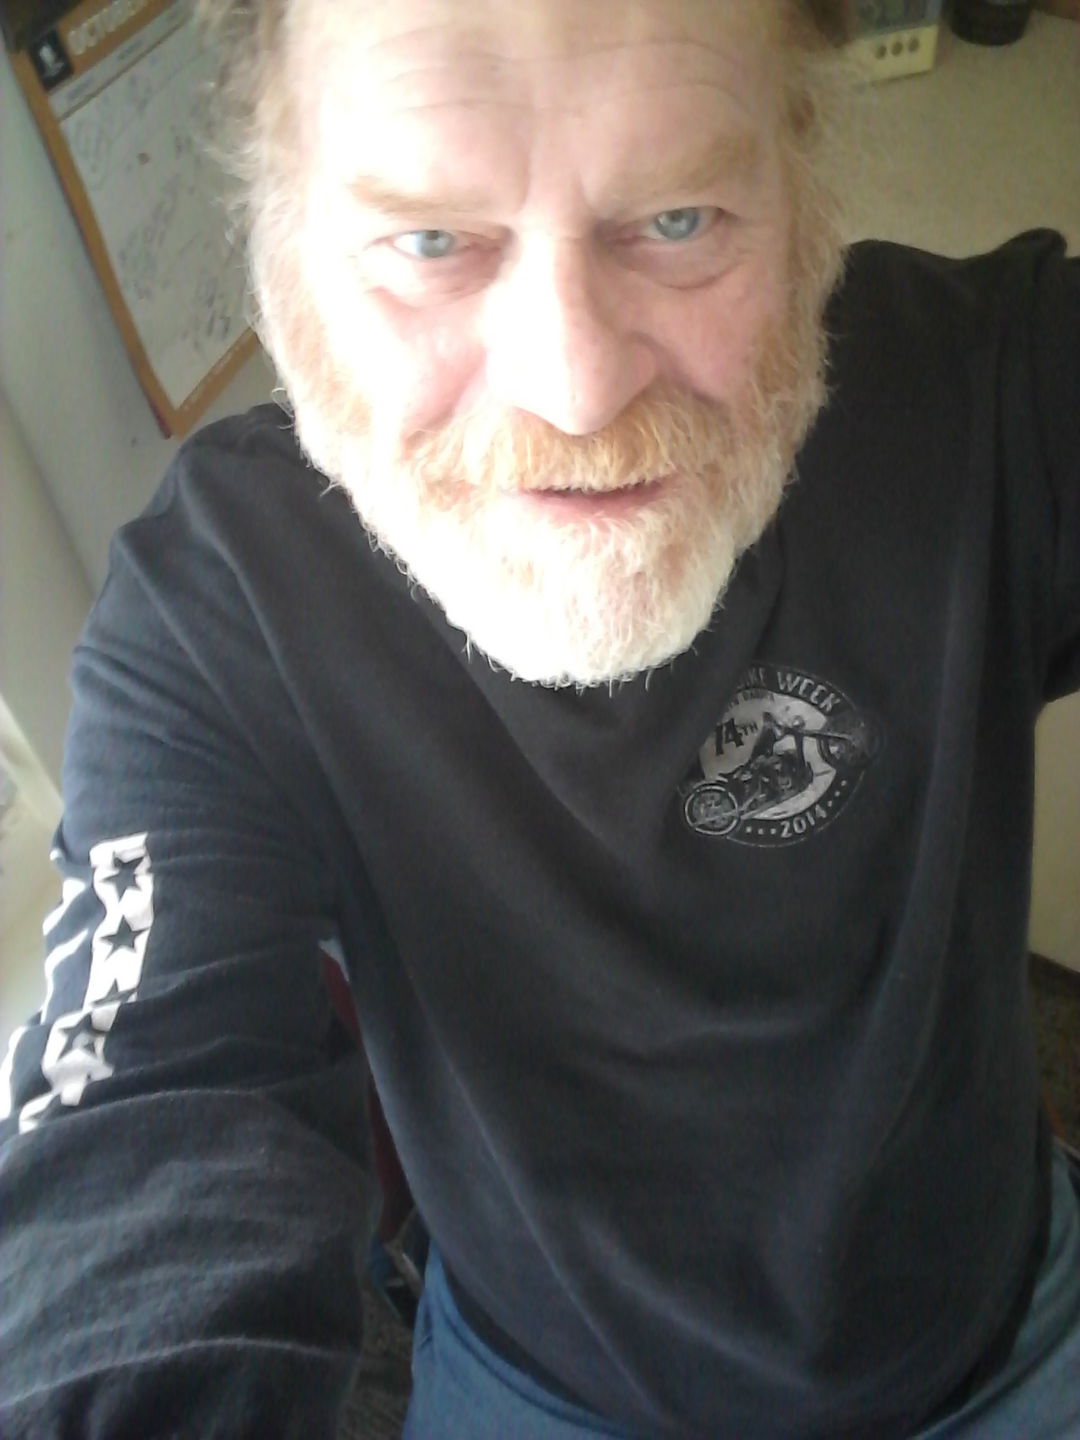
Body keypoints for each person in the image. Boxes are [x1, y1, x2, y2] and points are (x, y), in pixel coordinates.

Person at [1, 1, 1078, 1436]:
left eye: (680, 220)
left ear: (805, 191)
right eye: (431, 242)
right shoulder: (221, 611)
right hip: (534, 1389)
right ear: (288, 259)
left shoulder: (994, 396)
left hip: (1008, 1340)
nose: (575, 391)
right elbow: (142, 1106)